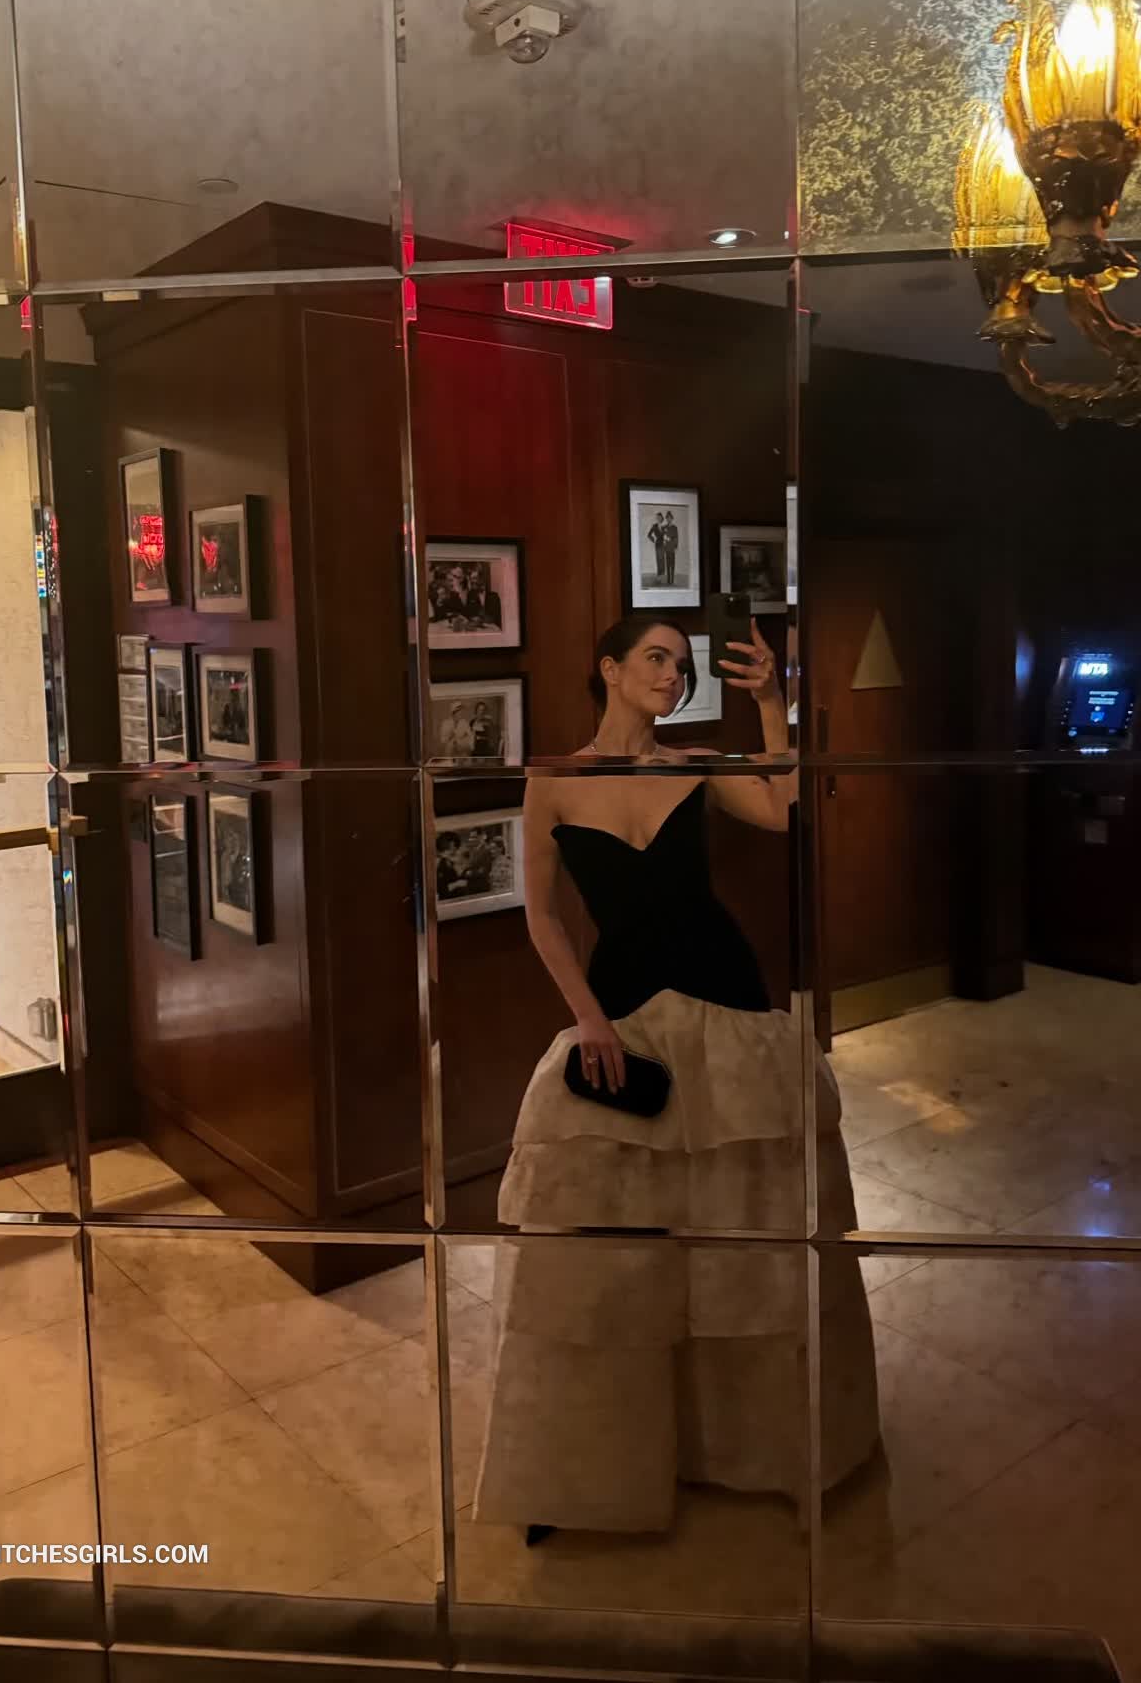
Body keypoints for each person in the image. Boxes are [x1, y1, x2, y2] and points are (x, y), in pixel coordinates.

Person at [472, 614, 880, 1540]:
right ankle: (583, 1472)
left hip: (726, 998)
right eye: (655, 657)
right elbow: (540, 915)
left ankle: (746, 1448)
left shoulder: (694, 764)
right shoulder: (554, 778)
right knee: (607, 1247)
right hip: (620, 1010)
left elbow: (782, 810)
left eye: (682, 665)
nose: (670, 674)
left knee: (742, 1226)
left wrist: (770, 701)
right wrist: (585, 1017)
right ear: (609, 668)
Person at [647, 511, 666, 585]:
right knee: (659, 560)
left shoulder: (665, 526)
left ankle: (661, 576)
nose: (658, 518)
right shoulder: (654, 526)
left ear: (662, 518)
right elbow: (649, 535)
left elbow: (667, 534)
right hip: (658, 544)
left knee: (662, 560)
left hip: (664, 545)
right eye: (657, 517)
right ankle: (659, 577)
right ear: (656, 518)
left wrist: (666, 540)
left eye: (660, 517)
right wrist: (654, 540)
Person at [661, 510, 679, 585]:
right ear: (666, 519)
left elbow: (676, 538)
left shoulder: (675, 528)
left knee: (672, 564)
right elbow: (662, 537)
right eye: (667, 518)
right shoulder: (664, 527)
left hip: (672, 548)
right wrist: (663, 540)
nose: (669, 519)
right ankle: (668, 580)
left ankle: (672, 579)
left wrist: (676, 546)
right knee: (668, 564)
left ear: (672, 518)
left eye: (670, 518)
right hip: (666, 548)